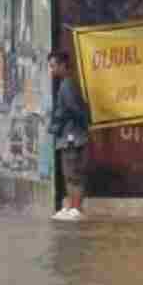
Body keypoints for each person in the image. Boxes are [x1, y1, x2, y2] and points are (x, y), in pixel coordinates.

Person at [48, 50, 89, 222]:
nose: (52, 70)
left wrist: (63, 123)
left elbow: (75, 110)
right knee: (68, 173)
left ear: (63, 65)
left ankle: (77, 208)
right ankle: (72, 207)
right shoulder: (65, 84)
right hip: (68, 136)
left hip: (71, 137)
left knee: (73, 174)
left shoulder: (67, 86)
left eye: (54, 66)